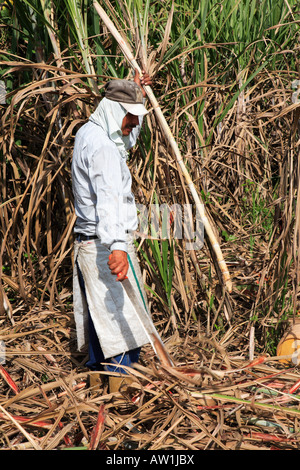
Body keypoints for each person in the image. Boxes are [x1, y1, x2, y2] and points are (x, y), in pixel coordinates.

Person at [71, 70, 152, 392]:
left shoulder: (91, 132)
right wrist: (118, 245)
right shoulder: (103, 147)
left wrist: (137, 91)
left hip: (96, 241)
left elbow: (126, 137)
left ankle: (97, 383)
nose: (133, 124)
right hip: (103, 243)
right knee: (118, 322)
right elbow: (107, 199)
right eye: (130, 118)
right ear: (113, 113)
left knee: (101, 316)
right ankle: (120, 395)